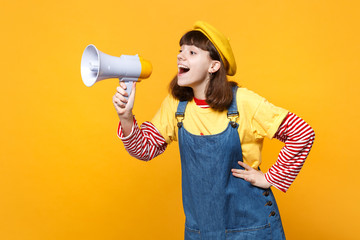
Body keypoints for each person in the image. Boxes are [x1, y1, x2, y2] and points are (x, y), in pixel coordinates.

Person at [112, 21, 315, 240]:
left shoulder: (243, 102)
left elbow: (301, 132)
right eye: (180, 51)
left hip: (252, 228)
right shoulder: (176, 105)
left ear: (214, 66)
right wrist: (125, 116)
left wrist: (271, 177)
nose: (180, 56)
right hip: (201, 230)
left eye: (192, 52)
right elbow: (145, 149)